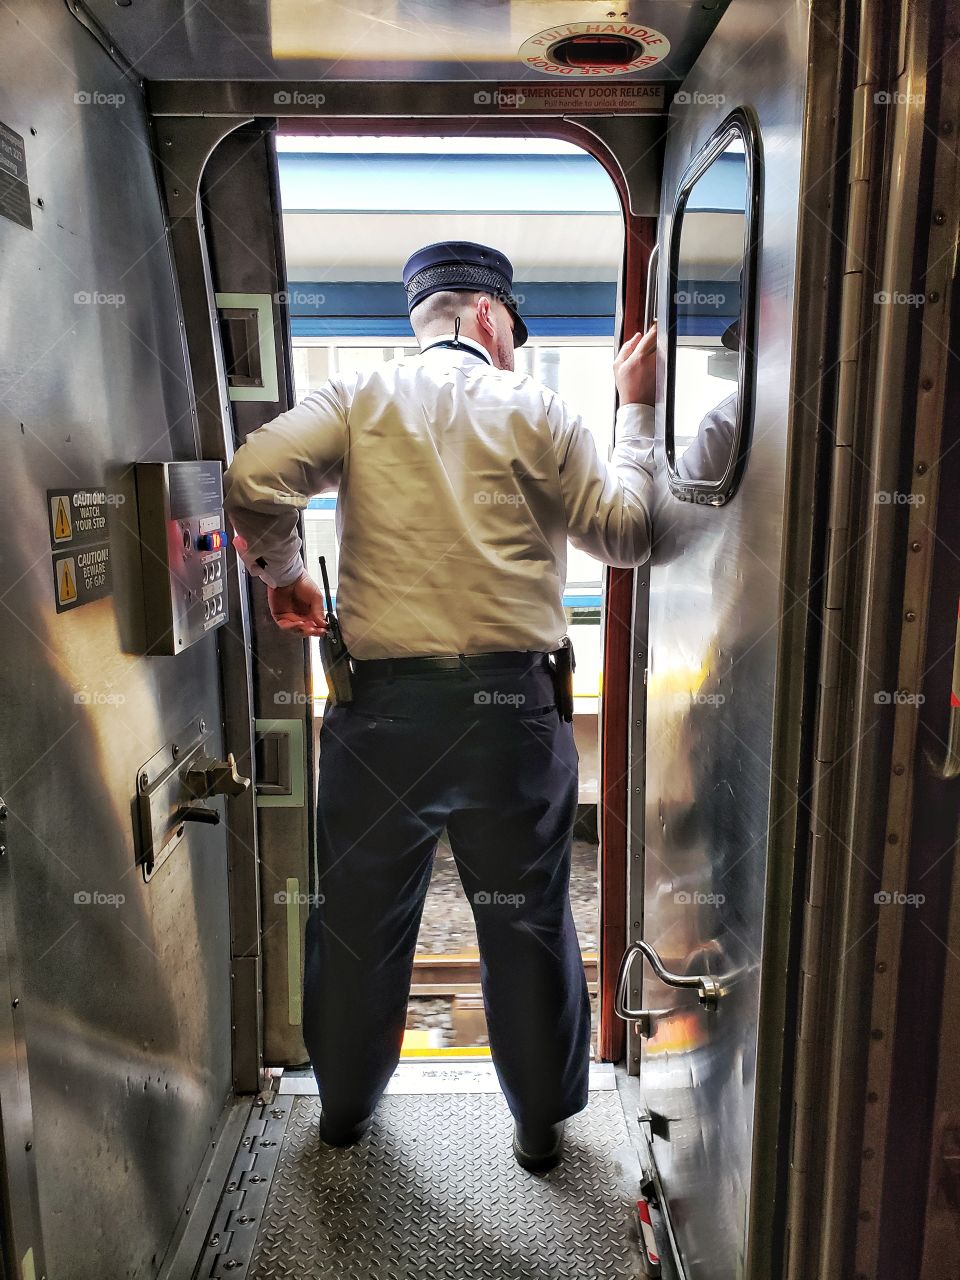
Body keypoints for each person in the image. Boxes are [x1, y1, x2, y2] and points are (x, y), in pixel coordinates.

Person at [222, 240, 657, 1173]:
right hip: (512, 716)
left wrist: (290, 578)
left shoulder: (358, 399)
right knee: (526, 919)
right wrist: (640, 413)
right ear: (494, 320)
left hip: (384, 717)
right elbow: (627, 535)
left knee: (358, 921)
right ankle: (538, 1129)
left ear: (423, 317)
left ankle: (342, 1117)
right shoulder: (537, 407)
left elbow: (253, 480)